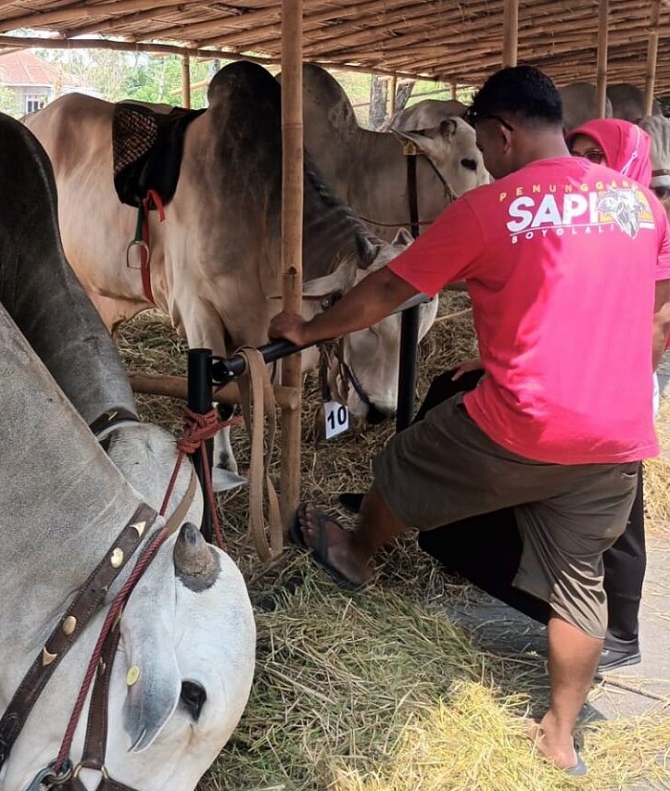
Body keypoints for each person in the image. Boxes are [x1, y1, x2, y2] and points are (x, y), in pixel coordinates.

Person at [268, 66, 670, 775]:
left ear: (503, 132)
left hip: (525, 423)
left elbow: (390, 288)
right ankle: (560, 736)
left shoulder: (491, 208)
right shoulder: (638, 203)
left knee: (403, 459)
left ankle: (357, 552)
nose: (484, 158)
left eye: (483, 145)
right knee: (580, 581)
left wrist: (308, 329)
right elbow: (647, 307)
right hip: (618, 433)